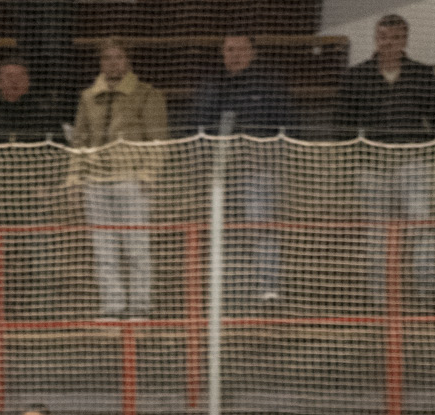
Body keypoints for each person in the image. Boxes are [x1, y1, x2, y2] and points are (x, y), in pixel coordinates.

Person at [335, 13, 435, 311]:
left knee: (420, 223)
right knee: (378, 231)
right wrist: (360, 154)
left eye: (395, 37)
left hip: (411, 164)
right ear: (376, 39)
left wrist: (422, 151)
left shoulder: (422, 75)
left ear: (405, 40)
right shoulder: (357, 76)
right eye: (383, 37)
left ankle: (428, 291)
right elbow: (340, 125)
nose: (388, 43)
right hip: (371, 168)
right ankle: (380, 297)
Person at [183, 35, 300, 307]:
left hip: (260, 172)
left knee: (262, 228)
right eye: (228, 49)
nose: (233, 54)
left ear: (253, 52)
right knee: (229, 230)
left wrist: (274, 158)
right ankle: (233, 286)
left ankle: (268, 286)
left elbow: (290, 126)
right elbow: (197, 128)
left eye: (239, 49)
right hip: (222, 174)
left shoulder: (269, 84)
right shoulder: (212, 87)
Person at [71, 37, 167, 320]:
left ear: (127, 61)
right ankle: (112, 306)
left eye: (118, 57)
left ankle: (140, 305)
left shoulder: (146, 94)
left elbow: (158, 140)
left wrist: (149, 174)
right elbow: (80, 140)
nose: (113, 63)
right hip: (96, 181)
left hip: (130, 178)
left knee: (136, 245)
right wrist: (75, 179)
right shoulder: (88, 97)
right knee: (104, 249)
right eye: (107, 58)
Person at [0, 57, 62, 143]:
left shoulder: (44, 113)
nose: (15, 81)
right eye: (9, 76)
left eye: (20, 76)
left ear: (28, 82)